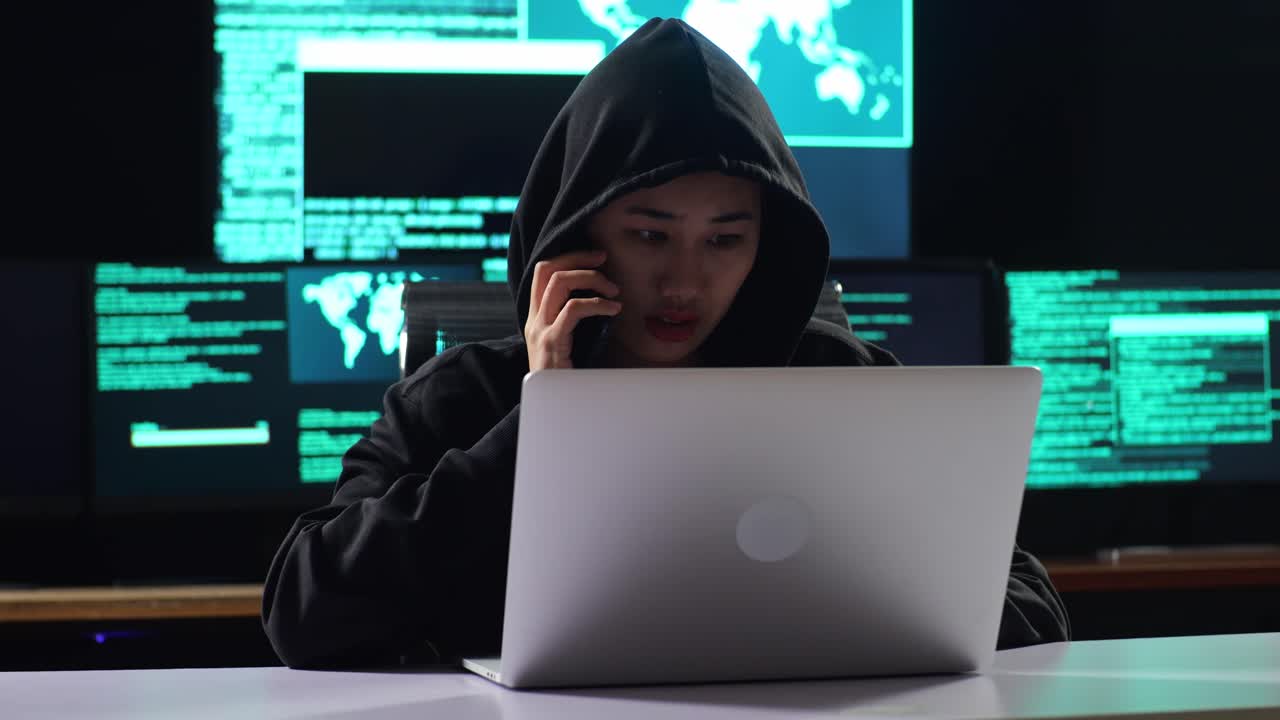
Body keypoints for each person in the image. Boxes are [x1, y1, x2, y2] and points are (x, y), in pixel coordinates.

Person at [262, 17, 1070, 669]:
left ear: (769, 246)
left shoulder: (836, 384)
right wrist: (544, 429)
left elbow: (1033, 606)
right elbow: (303, 609)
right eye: (651, 234)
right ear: (576, 237)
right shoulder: (464, 397)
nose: (685, 281)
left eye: (726, 240)